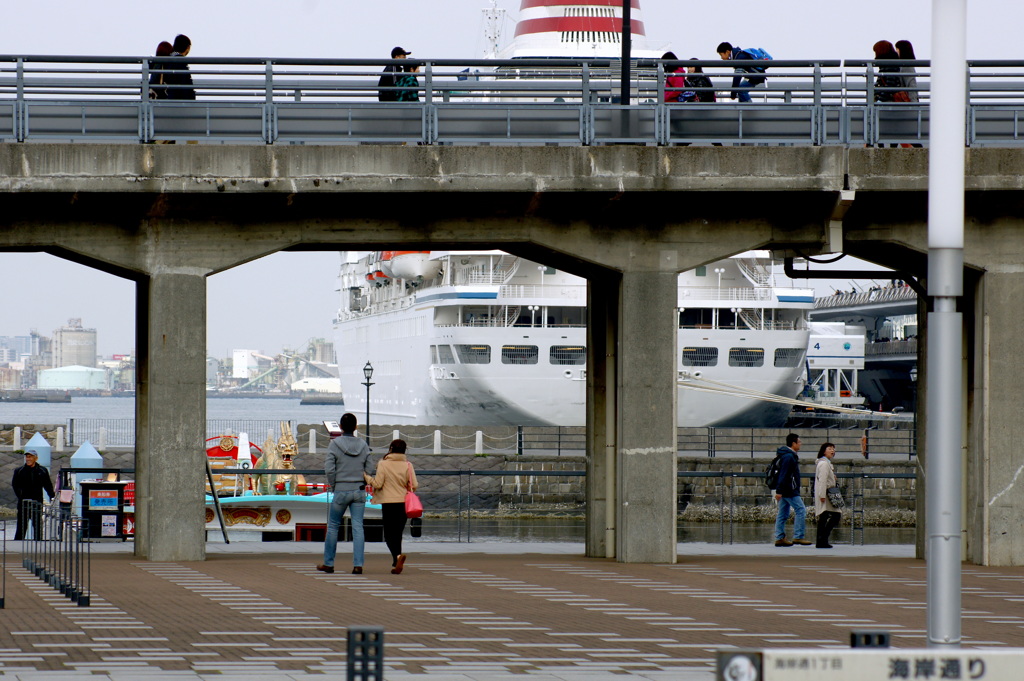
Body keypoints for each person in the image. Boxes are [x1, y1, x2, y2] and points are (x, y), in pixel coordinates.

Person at [318, 412, 373, 575]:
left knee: (334, 526)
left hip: (341, 489)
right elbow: (369, 468)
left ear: (340, 427)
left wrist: (335, 484)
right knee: (358, 527)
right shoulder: (363, 445)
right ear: (356, 427)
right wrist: (361, 480)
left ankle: (329, 563)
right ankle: (358, 565)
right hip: (359, 490)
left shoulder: (335, 445)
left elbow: (329, 468)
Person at [365, 438, 418, 574]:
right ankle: (396, 561)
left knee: (389, 534)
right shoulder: (408, 465)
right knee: (398, 534)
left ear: (391, 449)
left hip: (388, 503)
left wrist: (366, 477)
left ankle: (397, 558)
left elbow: (377, 484)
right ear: (404, 450)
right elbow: (414, 486)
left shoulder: (383, 464)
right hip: (403, 503)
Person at [773, 433, 812, 546]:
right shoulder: (789, 457)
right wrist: (779, 491)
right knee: (801, 510)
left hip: (785, 489)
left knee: (783, 513)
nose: (801, 444)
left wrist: (780, 490)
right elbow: (784, 474)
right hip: (789, 489)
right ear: (793, 443)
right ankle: (798, 536)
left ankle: (779, 537)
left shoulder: (785, 455)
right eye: (799, 442)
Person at [12, 450, 55, 540]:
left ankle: (38, 543)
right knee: (21, 526)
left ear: (36, 458)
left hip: (37, 502)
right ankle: (18, 544)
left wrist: (52, 496)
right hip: (23, 503)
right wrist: (20, 496)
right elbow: (15, 485)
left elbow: (47, 485)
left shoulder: (42, 471)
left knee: (37, 525)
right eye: (27, 457)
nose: (28, 459)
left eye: (30, 457)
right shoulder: (19, 471)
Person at [814, 442, 842, 548]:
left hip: (825, 493)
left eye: (833, 449)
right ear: (824, 451)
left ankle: (821, 540)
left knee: (824, 516)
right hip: (826, 494)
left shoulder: (824, 463)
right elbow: (822, 480)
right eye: (829, 448)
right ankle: (823, 539)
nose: (832, 450)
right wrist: (821, 495)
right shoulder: (825, 464)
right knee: (835, 515)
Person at [165, 34, 196, 100]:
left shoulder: (166, 60)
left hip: (166, 98)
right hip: (177, 101)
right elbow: (185, 84)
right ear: (188, 47)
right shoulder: (181, 63)